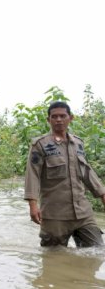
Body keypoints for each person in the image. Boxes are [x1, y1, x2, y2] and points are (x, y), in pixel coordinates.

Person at [24, 101, 105, 247]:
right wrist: (33, 204)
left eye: (63, 116)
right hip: (55, 216)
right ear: (48, 120)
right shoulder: (40, 145)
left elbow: (87, 171)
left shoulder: (78, 143)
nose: (59, 120)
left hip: (82, 213)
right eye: (54, 117)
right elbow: (33, 175)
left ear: (70, 118)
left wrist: (102, 194)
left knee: (97, 251)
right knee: (53, 257)